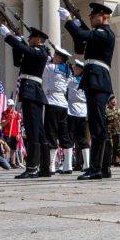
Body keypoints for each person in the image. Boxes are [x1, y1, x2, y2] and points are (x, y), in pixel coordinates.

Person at [60, 2, 115, 180]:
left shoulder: (104, 33)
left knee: (98, 127)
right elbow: (80, 45)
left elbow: (81, 33)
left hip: (97, 81)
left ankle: (97, 168)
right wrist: (76, 25)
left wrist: (69, 21)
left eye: (94, 15)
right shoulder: (97, 35)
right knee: (98, 125)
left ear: (104, 17)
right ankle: (104, 168)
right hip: (95, 80)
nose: (90, 18)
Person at [0, 26, 49, 178]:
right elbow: (17, 61)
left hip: (32, 92)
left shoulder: (42, 52)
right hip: (29, 92)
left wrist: (10, 37)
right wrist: (17, 41)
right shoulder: (32, 52)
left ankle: (33, 167)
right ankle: (44, 168)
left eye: (31, 37)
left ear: (39, 39)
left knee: (34, 131)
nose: (28, 40)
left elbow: (27, 50)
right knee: (38, 131)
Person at [43, 46, 74, 175]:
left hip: (52, 102)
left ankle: (51, 166)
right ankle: (68, 166)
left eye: (56, 56)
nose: (54, 58)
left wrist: (47, 56)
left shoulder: (52, 68)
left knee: (51, 134)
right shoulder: (68, 70)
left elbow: (42, 67)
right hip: (63, 104)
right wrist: (51, 57)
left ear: (59, 58)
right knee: (64, 135)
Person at [67, 59, 89, 171]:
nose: (74, 69)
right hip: (83, 111)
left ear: (80, 70)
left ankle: (69, 165)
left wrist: (67, 68)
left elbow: (67, 81)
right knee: (82, 139)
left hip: (73, 111)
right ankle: (86, 164)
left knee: (71, 138)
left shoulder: (73, 81)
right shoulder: (85, 80)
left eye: (76, 68)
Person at [0, 99, 22, 168]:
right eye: (10, 105)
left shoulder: (16, 113)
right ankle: (6, 162)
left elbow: (18, 124)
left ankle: (13, 163)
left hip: (15, 133)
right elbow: (3, 124)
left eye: (12, 105)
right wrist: (9, 119)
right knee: (7, 148)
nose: (11, 107)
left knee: (13, 149)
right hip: (7, 133)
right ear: (7, 105)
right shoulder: (4, 113)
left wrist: (18, 133)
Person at [106, 95, 120, 166]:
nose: (114, 101)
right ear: (109, 101)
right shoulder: (106, 110)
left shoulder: (119, 110)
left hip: (118, 131)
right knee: (110, 147)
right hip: (109, 132)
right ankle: (108, 161)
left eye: (115, 100)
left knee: (118, 147)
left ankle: (117, 161)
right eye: (113, 100)